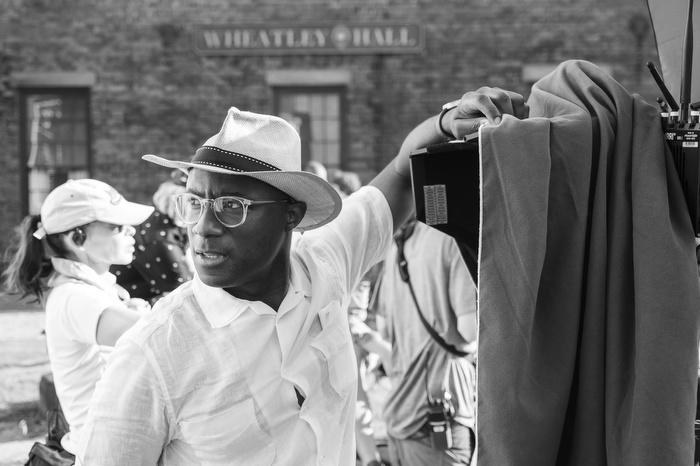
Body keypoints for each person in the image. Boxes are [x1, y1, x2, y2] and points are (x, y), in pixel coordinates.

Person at [78, 88, 526, 465]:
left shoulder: (325, 264)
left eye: (232, 207)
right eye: (193, 203)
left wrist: (448, 121)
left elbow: (403, 177)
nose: (204, 226)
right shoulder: (154, 354)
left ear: (291, 216)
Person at [1, 178, 154, 456]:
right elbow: (155, 335)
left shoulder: (90, 288)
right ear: (78, 238)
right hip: (106, 449)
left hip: (113, 440)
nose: (132, 231)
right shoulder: (75, 296)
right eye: (117, 227)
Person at [353, 218, 477, 465]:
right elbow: (470, 330)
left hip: (401, 414)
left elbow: (386, 331)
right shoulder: (454, 240)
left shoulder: (397, 246)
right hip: (440, 411)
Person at [111, 170, 194, 303]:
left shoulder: (165, 224)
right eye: (195, 202)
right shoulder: (162, 237)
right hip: (137, 312)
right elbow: (183, 293)